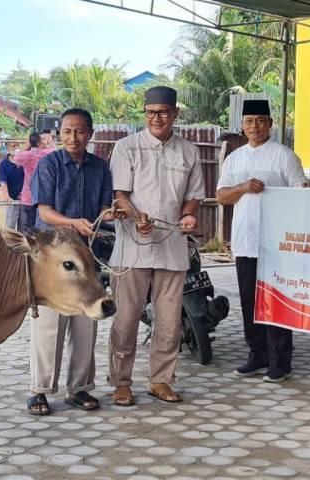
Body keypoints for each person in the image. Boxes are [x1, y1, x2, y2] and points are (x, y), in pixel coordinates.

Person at [107, 86, 204, 406]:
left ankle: (161, 380)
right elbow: (120, 196)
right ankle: (121, 382)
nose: (156, 118)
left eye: (163, 112)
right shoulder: (127, 147)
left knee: (169, 321)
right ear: (144, 114)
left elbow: (193, 197)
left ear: (175, 114)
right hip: (133, 248)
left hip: (172, 247)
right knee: (125, 320)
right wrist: (136, 217)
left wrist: (189, 216)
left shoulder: (188, 151)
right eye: (150, 113)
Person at [25, 108, 114, 416]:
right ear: (59, 134)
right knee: (49, 326)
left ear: (90, 134)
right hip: (54, 257)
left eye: (79, 131)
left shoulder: (101, 168)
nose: (73, 137)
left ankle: (79, 389)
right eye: (67, 131)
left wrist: (107, 215)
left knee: (86, 323)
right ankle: (40, 390)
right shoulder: (49, 165)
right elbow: (45, 212)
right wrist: (74, 223)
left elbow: (104, 206)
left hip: (89, 255)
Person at [216, 99, 307, 383]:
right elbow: (221, 196)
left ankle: (281, 361)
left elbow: (301, 193)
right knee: (249, 301)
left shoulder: (284, 156)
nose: (254, 126)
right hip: (245, 240)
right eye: (249, 121)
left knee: (276, 301)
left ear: (270, 123)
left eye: (260, 120)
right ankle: (257, 355)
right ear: (242, 126)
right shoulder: (235, 158)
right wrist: (243, 187)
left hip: (277, 243)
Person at [13, 132, 56, 231]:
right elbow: (55, 151)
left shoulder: (25, 155)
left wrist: (27, 144)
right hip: (44, 197)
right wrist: (50, 140)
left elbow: (16, 158)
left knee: (28, 228)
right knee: (43, 228)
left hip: (28, 197)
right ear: (40, 144)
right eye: (43, 140)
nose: (46, 142)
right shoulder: (46, 153)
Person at [0, 149, 25, 230]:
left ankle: (23, 242)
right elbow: (3, 182)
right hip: (12, 199)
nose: (16, 148)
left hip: (25, 199)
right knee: (10, 226)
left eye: (18, 145)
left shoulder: (24, 161)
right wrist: (7, 196)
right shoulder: (4, 164)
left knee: (24, 226)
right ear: (8, 149)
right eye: (14, 146)